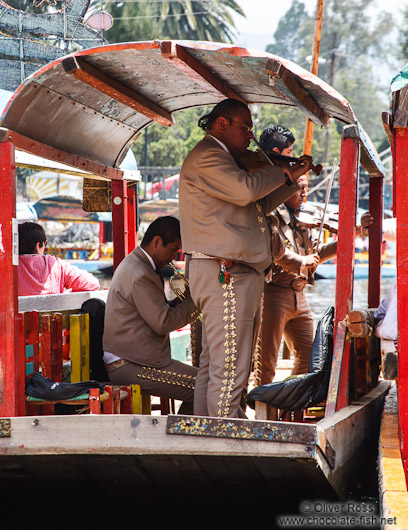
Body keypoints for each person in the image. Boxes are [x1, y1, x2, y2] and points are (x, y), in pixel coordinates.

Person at [178, 99, 313, 418]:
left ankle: (208, 434)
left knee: (216, 366)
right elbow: (245, 191)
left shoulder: (224, 158)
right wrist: (282, 170)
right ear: (222, 124)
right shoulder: (209, 156)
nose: (251, 137)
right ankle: (228, 438)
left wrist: (289, 177)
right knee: (230, 369)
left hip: (231, 271)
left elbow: (258, 204)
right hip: (225, 271)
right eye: (245, 128)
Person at [256, 125, 338, 384]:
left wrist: (347, 238)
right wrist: (303, 261)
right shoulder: (271, 212)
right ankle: (264, 409)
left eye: (306, 187)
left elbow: (316, 255)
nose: (304, 192)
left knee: (308, 357)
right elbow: (278, 254)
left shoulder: (305, 217)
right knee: (266, 360)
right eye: (299, 186)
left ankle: (285, 400)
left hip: (299, 294)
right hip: (275, 292)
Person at [103, 216, 199, 413]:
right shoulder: (141, 274)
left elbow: (157, 312)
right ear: (156, 242)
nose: (173, 257)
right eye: (173, 249)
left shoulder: (139, 265)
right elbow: (162, 322)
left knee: (205, 384)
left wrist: (183, 301)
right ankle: (181, 438)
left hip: (136, 360)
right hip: (130, 365)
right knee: (206, 386)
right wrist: (196, 303)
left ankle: (182, 436)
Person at [18, 221, 100, 296]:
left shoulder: (10, 266)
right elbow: (92, 283)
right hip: (51, 312)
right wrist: (66, 295)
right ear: (38, 245)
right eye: (45, 244)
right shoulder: (55, 265)